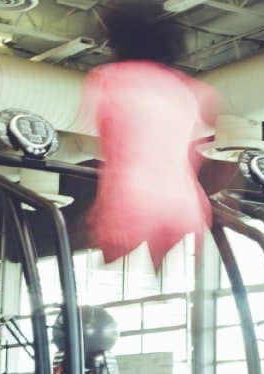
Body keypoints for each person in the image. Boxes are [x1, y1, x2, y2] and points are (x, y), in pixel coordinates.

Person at [80, 3, 219, 271]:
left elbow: (113, 151)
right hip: (184, 204)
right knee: (165, 280)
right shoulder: (185, 88)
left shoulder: (108, 79)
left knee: (109, 278)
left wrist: (99, 207)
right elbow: (194, 154)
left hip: (133, 201)